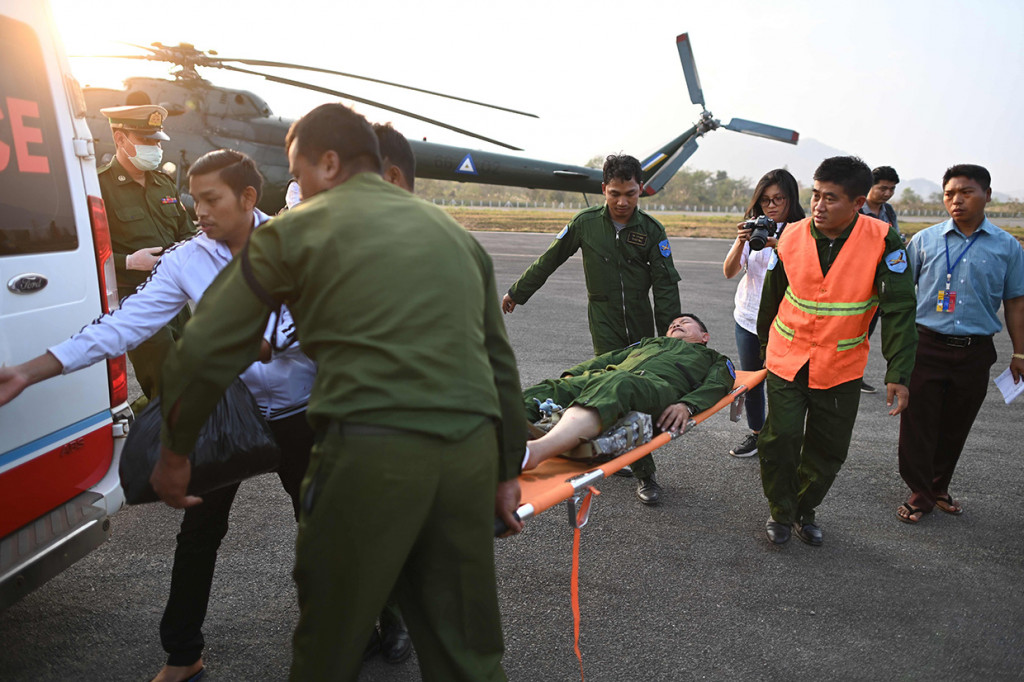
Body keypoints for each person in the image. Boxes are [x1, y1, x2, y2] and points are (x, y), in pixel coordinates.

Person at [150, 103, 526, 681]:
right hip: (468, 458)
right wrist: (505, 474)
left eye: (297, 173)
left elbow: (204, 348)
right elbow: (500, 364)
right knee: (467, 652)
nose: (294, 187)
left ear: (329, 163)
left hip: (371, 455)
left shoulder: (296, 232)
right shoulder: (455, 236)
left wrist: (175, 453)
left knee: (328, 644)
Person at [0, 149, 317, 682]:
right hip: (226, 413)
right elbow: (122, 324)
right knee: (198, 533)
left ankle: (376, 618)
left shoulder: (302, 247)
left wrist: (265, 340)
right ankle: (182, 655)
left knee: (325, 526)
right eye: (195, 202)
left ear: (247, 198)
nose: (201, 213)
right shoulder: (185, 260)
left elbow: (325, 317)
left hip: (300, 413)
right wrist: (33, 369)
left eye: (212, 200)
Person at [756, 156, 917, 547]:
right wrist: (766, 348)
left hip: (841, 365)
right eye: (815, 195)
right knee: (780, 439)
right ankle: (780, 511)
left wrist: (898, 372)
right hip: (788, 360)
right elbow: (773, 296)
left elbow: (898, 308)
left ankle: (803, 509)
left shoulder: (883, 240)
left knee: (828, 450)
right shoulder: (791, 235)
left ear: (857, 202)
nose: (818, 206)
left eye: (830, 198)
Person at [501, 154, 682, 502]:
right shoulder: (585, 223)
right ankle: (645, 473)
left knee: (637, 395)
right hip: (605, 323)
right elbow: (549, 259)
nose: (623, 201)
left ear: (640, 189)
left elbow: (665, 287)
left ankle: (622, 456)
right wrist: (517, 292)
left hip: (642, 327)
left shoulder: (651, 231)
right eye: (615, 193)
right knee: (616, 391)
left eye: (630, 193)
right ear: (603, 189)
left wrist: (670, 337)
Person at [895, 164, 1024, 524]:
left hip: (975, 350)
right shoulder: (924, 240)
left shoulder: (1007, 247)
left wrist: (1020, 352)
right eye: (950, 193)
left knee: (956, 424)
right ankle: (920, 493)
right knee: (917, 422)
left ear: (987, 195)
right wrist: (899, 348)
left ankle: (937, 486)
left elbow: (1016, 301)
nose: (956, 200)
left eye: (966, 192)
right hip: (926, 345)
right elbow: (903, 296)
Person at [522, 315, 734, 471]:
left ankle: (536, 451)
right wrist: (572, 376)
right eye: (672, 325)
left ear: (704, 336)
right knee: (549, 387)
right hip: (605, 378)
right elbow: (608, 359)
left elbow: (718, 383)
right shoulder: (649, 342)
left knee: (619, 381)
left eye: (685, 322)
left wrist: (687, 405)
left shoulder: (713, 357)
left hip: (655, 388)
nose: (676, 324)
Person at [97, 105, 196, 405]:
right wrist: (128, 262)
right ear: (120, 138)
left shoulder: (162, 183)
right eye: (147, 140)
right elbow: (84, 256)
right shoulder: (99, 186)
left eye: (157, 141)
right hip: (137, 300)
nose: (156, 148)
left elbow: (187, 231)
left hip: (175, 297)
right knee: (169, 380)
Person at [722, 169, 805, 458]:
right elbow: (729, 271)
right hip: (748, 318)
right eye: (765, 200)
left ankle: (783, 437)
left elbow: (807, 275)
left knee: (786, 385)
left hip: (787, 323)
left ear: (790, 199)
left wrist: (779, 245)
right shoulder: (754, 227)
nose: (771, 206)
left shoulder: (803, 231)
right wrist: (742, 240)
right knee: (753, 381)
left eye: (778, 199)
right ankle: (757, 433)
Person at [859, 165, 903, 394]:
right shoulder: (856, 210)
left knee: (867, 331)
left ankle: (856, 375)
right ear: (870, 187)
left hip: (878, 281)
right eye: (883, 188)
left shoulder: (889, 212)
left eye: (892, 189)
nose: (887, 193)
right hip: (856, 280)